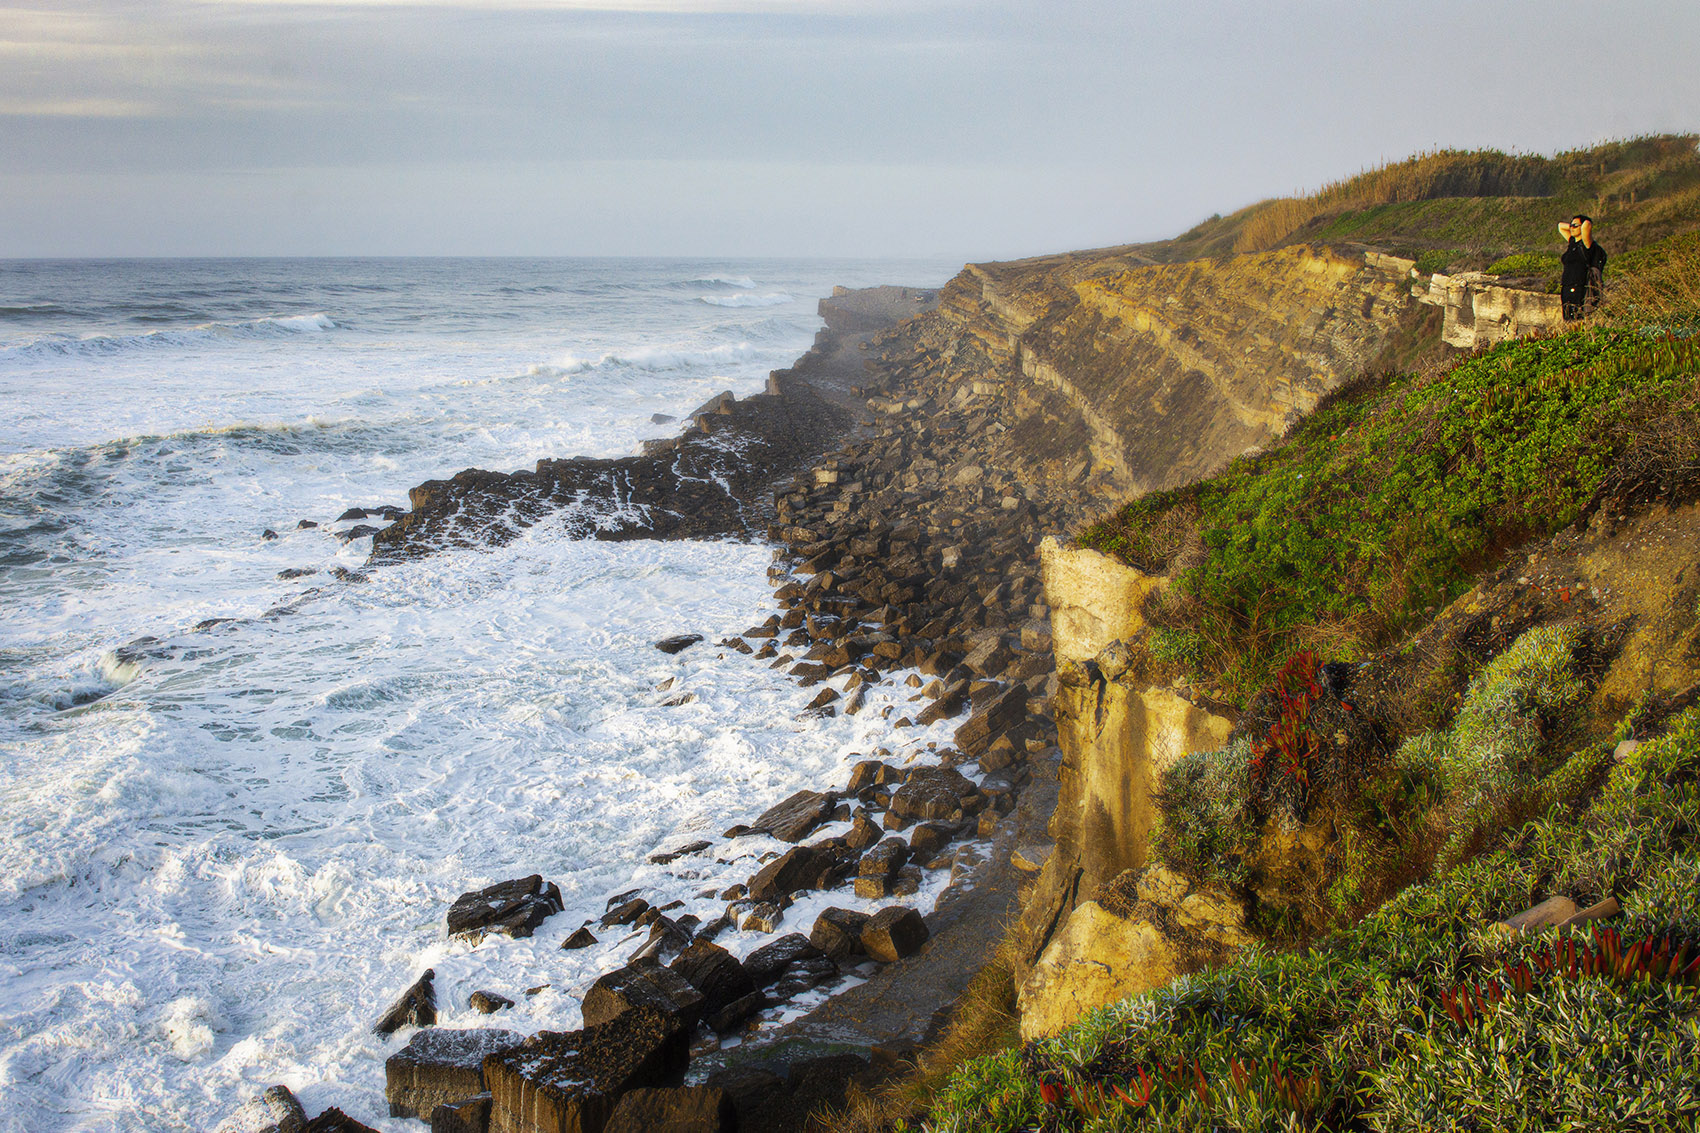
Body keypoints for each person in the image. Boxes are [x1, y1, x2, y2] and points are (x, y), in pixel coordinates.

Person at [1558, 214, 1607, 320]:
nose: (1571, 228)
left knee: (1577, 318)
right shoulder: (1572, 243)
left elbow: (1587, 224)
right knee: (1567, 319)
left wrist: (1582, 224)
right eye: (1571, 225)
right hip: (1566, 286)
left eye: (1575, 226)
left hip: (1578, 287)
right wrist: (1574, 226)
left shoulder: (1586, 244)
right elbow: (1560, 226)